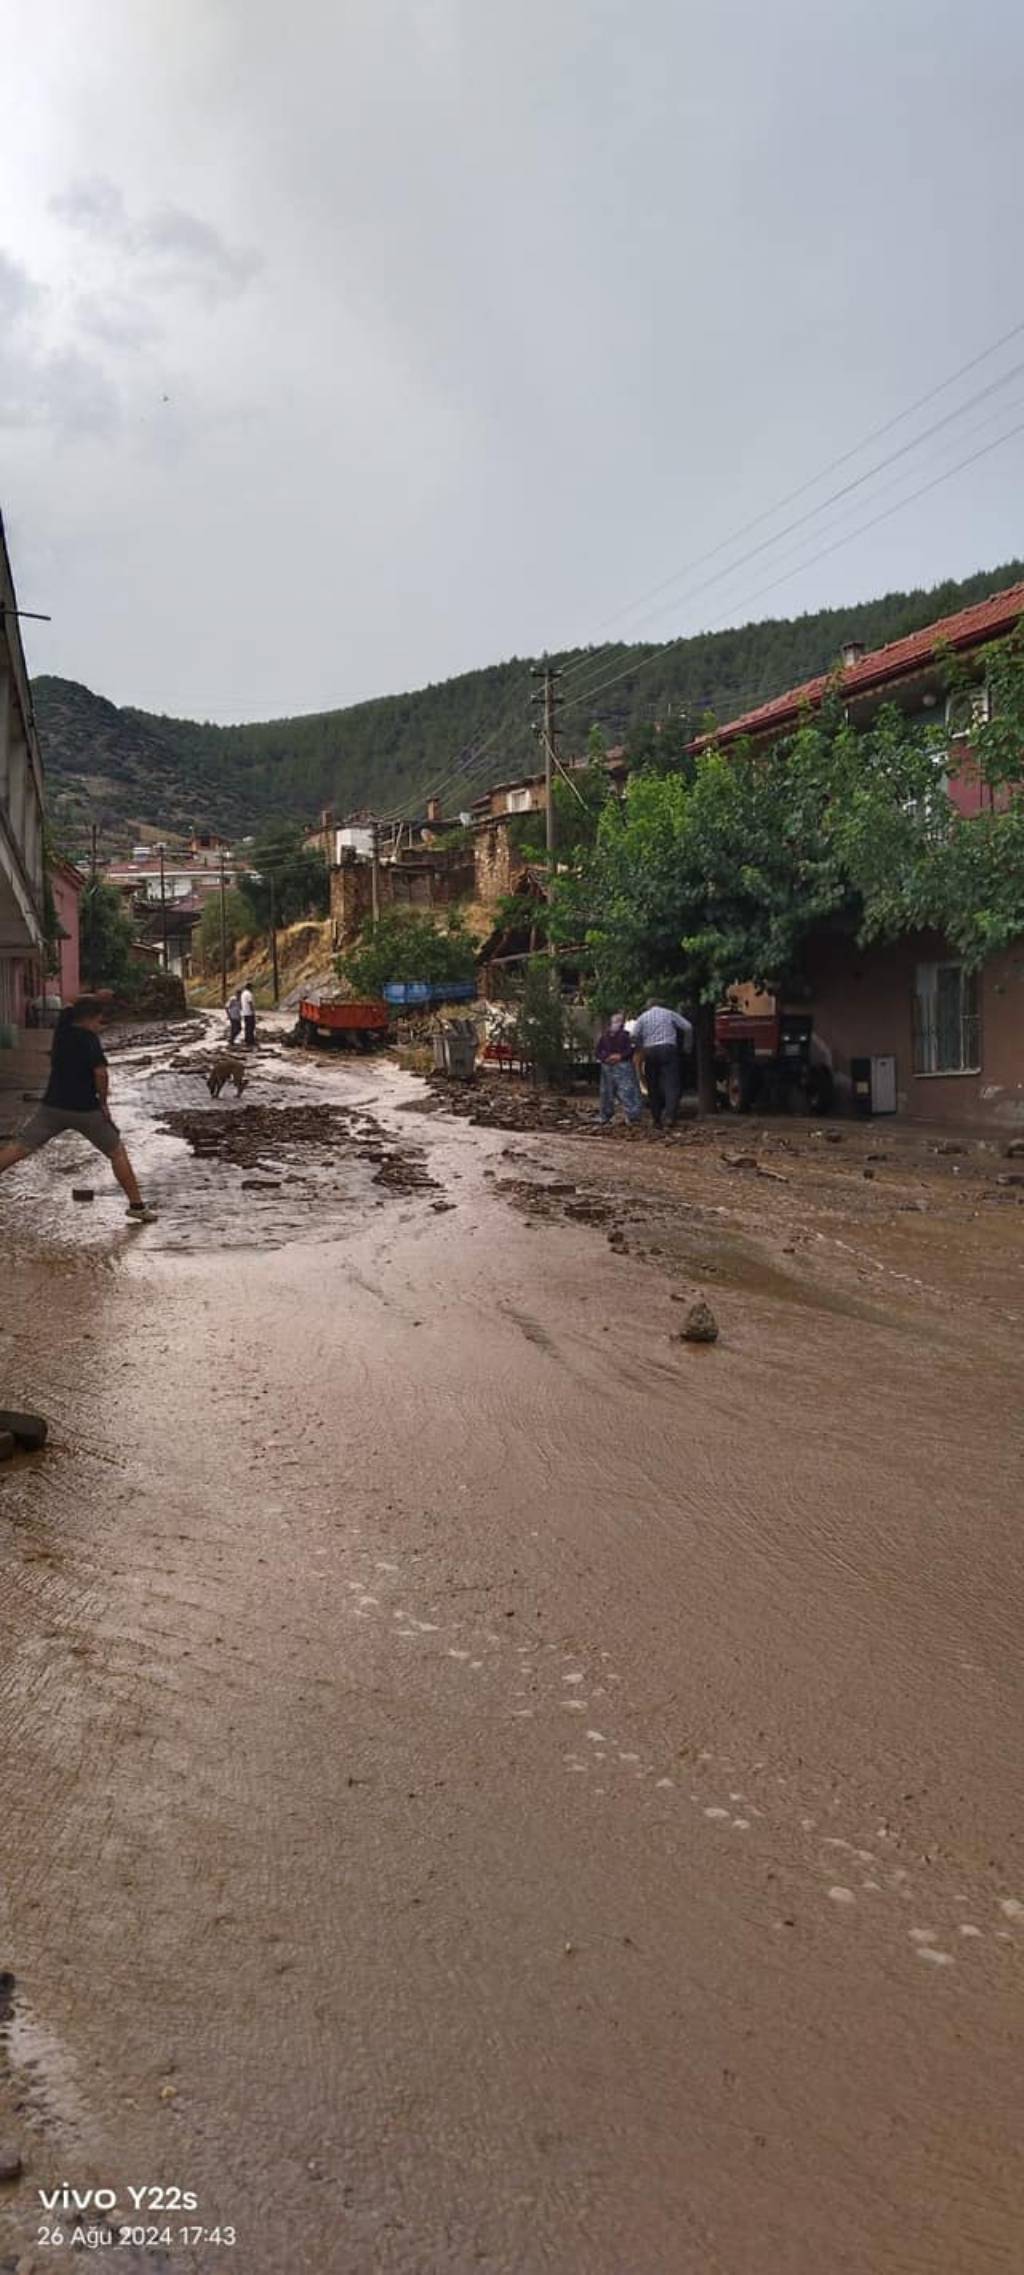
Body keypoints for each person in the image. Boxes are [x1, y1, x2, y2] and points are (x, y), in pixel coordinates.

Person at [0, 995, 157, 1221]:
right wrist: (103, 1103)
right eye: (99, 1021)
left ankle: (137, 1206)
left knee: (20, 1147)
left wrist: (88, 1001)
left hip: (52, 1107)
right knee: (117, 1152)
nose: (100, 1026)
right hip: (86, 1110)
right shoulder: (89, 1039)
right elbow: (100, 1073)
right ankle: (137, 1206)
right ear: (90, 1019)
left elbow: (68, 1007)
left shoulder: (61, 1032)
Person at [630, 999, 694, 1129]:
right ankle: (670, 1117)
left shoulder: (643, 1017)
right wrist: (687, 1047)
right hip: (668, 1049)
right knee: (672, 1084)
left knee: (652, 1085)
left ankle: (656, 1119)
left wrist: (641, 1046)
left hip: (650, 1051)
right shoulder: (669, 1013)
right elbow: (688, 1027)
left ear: (648, 1006)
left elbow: (633, 1035)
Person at [595, 1012, 642, 1127]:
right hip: (610, 1066)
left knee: (627, 1090)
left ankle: (632, 1116)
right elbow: (597, 1051)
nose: (618, 1024)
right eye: (616, 1021)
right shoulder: (605, 1037)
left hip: (622, 1065)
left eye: (620, 1021)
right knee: (608, 1091)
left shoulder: (625, 1036)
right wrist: (606, 1058)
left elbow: (630, 1050)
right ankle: (607, 1115)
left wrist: (619, 1056)